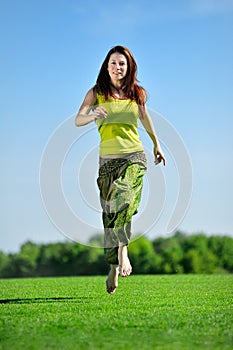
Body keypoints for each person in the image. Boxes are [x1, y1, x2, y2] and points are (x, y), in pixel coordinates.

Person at [75, 45, 166, 294]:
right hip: (107, 163)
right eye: (114, 63)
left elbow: (145, 118)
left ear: (129, 67)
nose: (118, 67)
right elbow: (77, 119)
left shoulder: (137, 93)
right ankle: (113, 265)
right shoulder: (97, 93)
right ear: (107, 66)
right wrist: (93, 113)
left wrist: (157, 144)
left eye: (122, 64)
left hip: (134, 156)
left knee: (124, 199)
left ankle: (123, 252)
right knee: (110, 215)